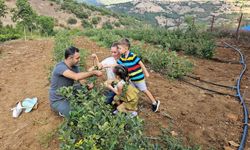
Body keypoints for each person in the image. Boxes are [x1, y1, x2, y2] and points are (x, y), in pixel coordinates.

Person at [49, 46, 102, 118]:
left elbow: (81, 80)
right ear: (70, 58)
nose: (79, 60)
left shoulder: (74, 67)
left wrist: (87, 85)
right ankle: (60, 110)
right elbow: (76, 77)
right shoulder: (60, 67)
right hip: (58, 99)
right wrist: (93, 72)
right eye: (77, 58)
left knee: (83, 88)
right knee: (75, 115)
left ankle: (72, 102)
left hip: (68, 92)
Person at [117, 38, 160, 112]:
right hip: (131, 79)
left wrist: (146, 72)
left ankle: (155, 102)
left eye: (120, 48)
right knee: (133, 91)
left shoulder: (132, 55)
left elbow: (140, 63)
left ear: (126, 48)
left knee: (144, 90)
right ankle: (133, 104)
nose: (118, 50)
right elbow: (117, 64)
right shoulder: (123, 57)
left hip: (139, 78)